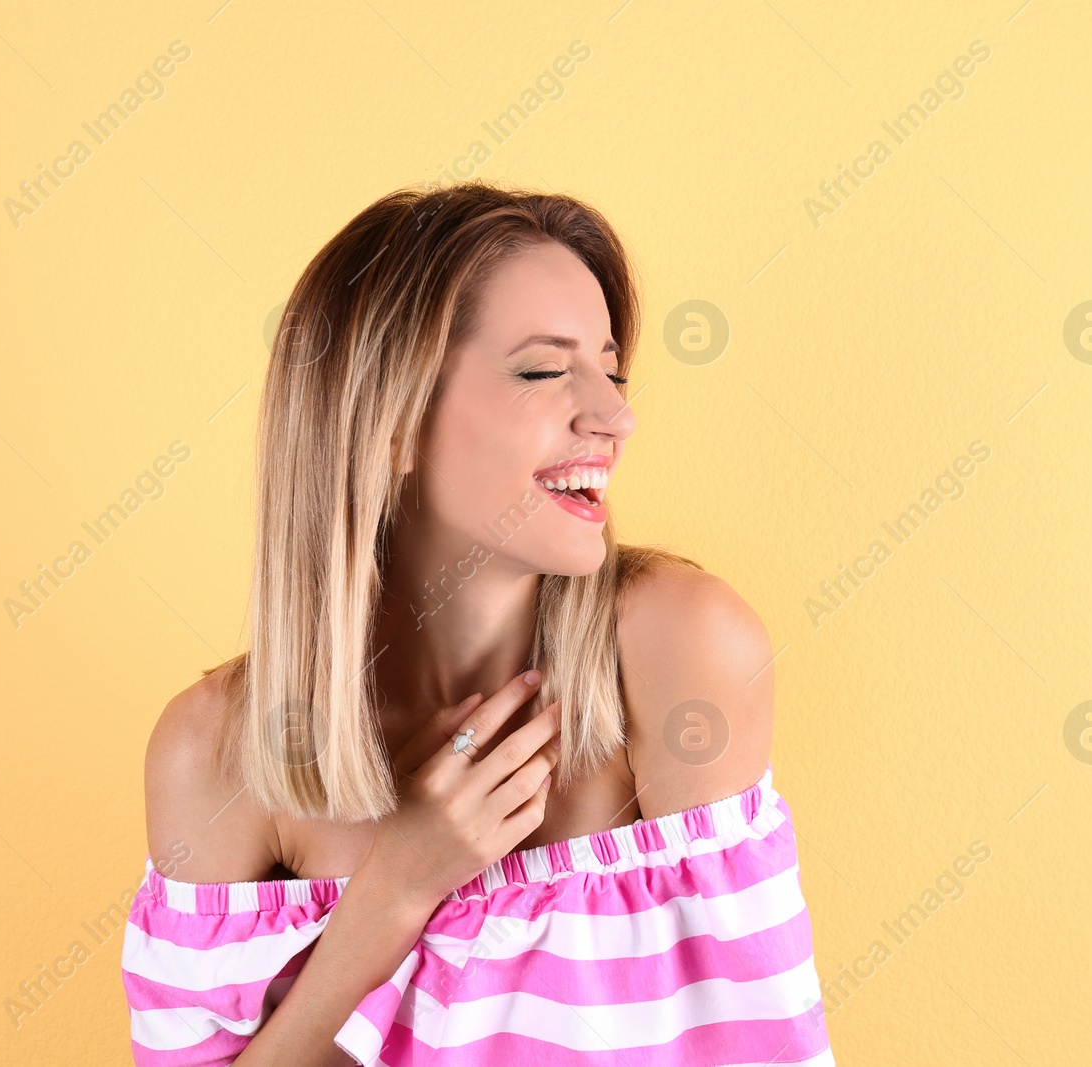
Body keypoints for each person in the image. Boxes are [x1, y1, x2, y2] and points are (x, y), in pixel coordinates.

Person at [121, 180, 835, 1065]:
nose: (616, 416)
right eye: (544, 370)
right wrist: (394, 892)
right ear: (390, 421)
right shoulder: (213, 753)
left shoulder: (684, 653)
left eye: (611, 370)